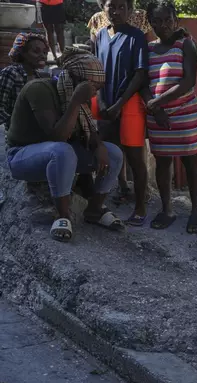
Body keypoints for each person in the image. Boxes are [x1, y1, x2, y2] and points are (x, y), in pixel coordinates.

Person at [5, 48, 125, 242]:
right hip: (22, 156)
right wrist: (77, 99)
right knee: (62, 150)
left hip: (57, 155)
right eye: (93, 87)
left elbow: (88, 130)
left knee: (114, 154)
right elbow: (58, 136)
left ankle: (94, 209)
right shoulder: (40, 89)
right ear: (77, 80)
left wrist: (99, 146)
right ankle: (63, 215)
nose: (95, 93)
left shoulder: (74, 95)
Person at [141, 0, 197, 233]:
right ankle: (167, 209)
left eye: (168, 20)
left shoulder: (185, 44)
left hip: (185, 114)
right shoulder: (147, 50)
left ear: (175, 21)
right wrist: (156, 109)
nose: (163, 25)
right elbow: (142, 82)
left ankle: (196, 211)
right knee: (163, 162)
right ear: (150, 23)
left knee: (191, 163)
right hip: (156, 117)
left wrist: (157, 102)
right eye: (157, 21)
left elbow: (189, 81)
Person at [88, 0, 155, 204]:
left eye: (121, 7)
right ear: (104, 8)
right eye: (111, 6)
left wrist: (119, 104)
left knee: (135, 157)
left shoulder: (136, 36)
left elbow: (140, 73)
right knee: (111, 152)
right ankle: (121, 189)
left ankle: (141, 206)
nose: (116, 11)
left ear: (130, 10)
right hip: (105, 103)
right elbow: (95, 70)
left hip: (129, 103)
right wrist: (100, 100)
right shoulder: (100, 35)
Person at [0, 33, 48, 131]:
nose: (43, 56)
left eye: (44, 52)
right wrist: (16, 123)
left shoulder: (38, 76)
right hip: (15, 136)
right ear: (22, 53)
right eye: (36, 51)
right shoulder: (11, 73)